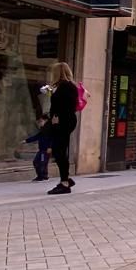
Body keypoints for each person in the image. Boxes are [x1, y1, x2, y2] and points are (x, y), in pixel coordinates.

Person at [44, 62, 80, 195]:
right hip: (64, 121)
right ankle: (65, 180)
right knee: (59, 151)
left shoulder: (66, 86)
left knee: (59, 151)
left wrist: (56, 117)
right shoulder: (64, 86)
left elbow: (66, 105)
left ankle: (65, 183)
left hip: (64, 121)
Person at [25, 114, 53, 182]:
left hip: (45, 150)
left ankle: (41, 176)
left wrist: (50, 147)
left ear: (46, 120)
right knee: (41, 162)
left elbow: (52, 138)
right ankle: (44, 175)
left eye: (41, 121)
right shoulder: (43, 130)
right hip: (42, 150)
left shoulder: (49, 129)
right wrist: (26, 141)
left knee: (40, 162)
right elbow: (36, 137)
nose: (40, 123)